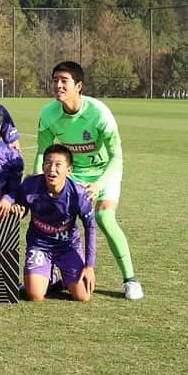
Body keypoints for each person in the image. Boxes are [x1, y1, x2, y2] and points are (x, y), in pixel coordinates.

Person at [35, 61, 143, 299]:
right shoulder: (48, 113)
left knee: (104, 216)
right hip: (74, 173)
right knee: (55, 214)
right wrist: (38, 183)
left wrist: (99, 185)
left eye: (64, 81)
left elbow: (116, 156)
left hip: (105, 171)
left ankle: (130, 279)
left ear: (79, 85)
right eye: (55, 80)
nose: (58, 85)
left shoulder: (99, 113)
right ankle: (53, 274)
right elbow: (43, 152)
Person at [17, 144, 96, 302]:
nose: (52, 169)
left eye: (58, 164)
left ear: (69, 170)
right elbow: (21, 208)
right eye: (48, 163)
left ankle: (64, 276)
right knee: (34, 295)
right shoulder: (30, 185)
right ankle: (50, 278)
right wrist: (19, 211)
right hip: (39, 245)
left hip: (68, 246)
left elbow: (90, 227)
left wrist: (89, 266)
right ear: (42, 166)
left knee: (83, 296)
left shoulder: (79, 194)